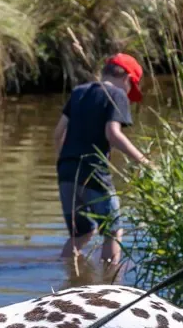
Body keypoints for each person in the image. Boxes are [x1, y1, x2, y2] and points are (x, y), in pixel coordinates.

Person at [54, 53, 150, 270]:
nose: (128, 92)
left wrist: (65, 162)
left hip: (66, 172)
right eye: (130, 87)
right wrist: (144, 161)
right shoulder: (116, 94)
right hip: (93, 172)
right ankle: (111, 282)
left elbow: (58, 132)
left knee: (82, 233)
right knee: (113, 230)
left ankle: (66, 275)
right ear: (127, 78)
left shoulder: (78, 92)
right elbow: (112, 133)